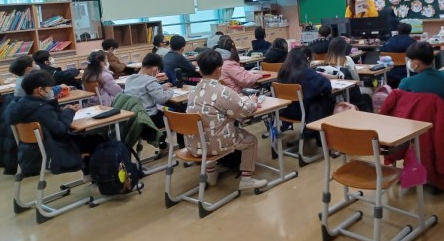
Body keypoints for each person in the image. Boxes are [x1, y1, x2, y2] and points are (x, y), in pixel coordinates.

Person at [185, 50, 267, 191]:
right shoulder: (222, 91)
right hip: (217, 144)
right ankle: (246, 180)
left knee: (206, 132)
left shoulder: (193, 91)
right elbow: (244, 111)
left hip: (194, 144)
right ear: (219, 70)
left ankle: (211, 175)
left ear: (200, 71)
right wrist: (253, 101)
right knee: (251, 140)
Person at [8, 70, 103, 179]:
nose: (51, 91)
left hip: (30, 151)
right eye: (49, 89)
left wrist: (62, 112)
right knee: (96, 139)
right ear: (40, 90)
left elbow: (47, 121)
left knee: (88, 138)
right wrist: (69, 112)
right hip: (52, 149)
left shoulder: (20, 105)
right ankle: (97, 175)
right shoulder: (42, 109)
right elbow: (60, 130)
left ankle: (89, 173)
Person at [278, 47, 334, 123]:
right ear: (307, 59)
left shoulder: (282, 72)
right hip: (301, 112)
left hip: (283, 110)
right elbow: (327, 86)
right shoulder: (307, 73)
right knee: (324, 99)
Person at [124, 53, 174, 130]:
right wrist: (171, 91)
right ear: (155, 69)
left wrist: (162, 87)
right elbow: (161, 98)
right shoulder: (150, 80)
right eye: (158, 72)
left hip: (134, 118)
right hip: (149, 118)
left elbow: (141, 89)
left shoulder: (130, 78)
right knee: (175, 116)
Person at [325, 37, 373, 111]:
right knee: (370, 90)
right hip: (350, 93)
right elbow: (356, 80)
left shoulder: (326, 63)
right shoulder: (347, 59)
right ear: (344, 48)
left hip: (337, 95)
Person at [399, 41, 444, 106]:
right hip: (443, 111)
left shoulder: (406, 83)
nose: (409, 62)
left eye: (410, 60)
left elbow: (401, 104)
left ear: (416, 63)